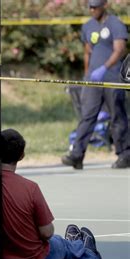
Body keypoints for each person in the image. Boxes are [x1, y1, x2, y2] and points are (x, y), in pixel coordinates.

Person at [0, 129, 102, 259]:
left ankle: (77, 247)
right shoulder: (30, 188)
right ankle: (86, 251)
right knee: (59, 244)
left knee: (59, 247)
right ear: (21, 156)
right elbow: (46, 232)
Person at [62, 0, 129, 169]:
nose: (92, 10)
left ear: (104, 5)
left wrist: (104, 68)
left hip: (113, 78)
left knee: (117, 116)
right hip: (93, 80)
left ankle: (125, 154)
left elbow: (120, 49)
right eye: (90, 7)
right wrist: (87, 74)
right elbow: (87, 51)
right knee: (87, 116)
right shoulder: (88, 26)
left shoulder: (116, 24)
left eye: (95, 7)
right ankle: (77, 155)